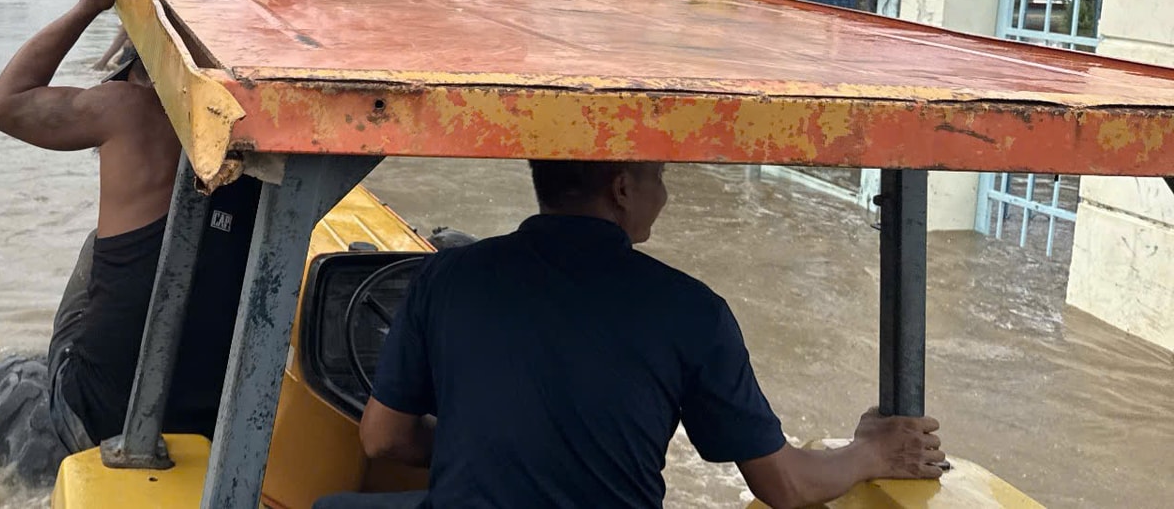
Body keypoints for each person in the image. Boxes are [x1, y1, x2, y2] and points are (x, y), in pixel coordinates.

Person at [318, 161, 946, 509]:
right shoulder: (691, 310)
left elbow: (382, 438)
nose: (666, 195)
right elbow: (785, 485)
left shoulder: (445, 275)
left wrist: (485, 442)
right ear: (622, 188)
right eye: (660, 178)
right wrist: (873, 451)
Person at [0, 0, 260, 481]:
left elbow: (0, 104)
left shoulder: (127, 112)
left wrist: (90, 3)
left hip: (97, 412)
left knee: (96, 244)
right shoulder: (282, 140)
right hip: (214, 421)